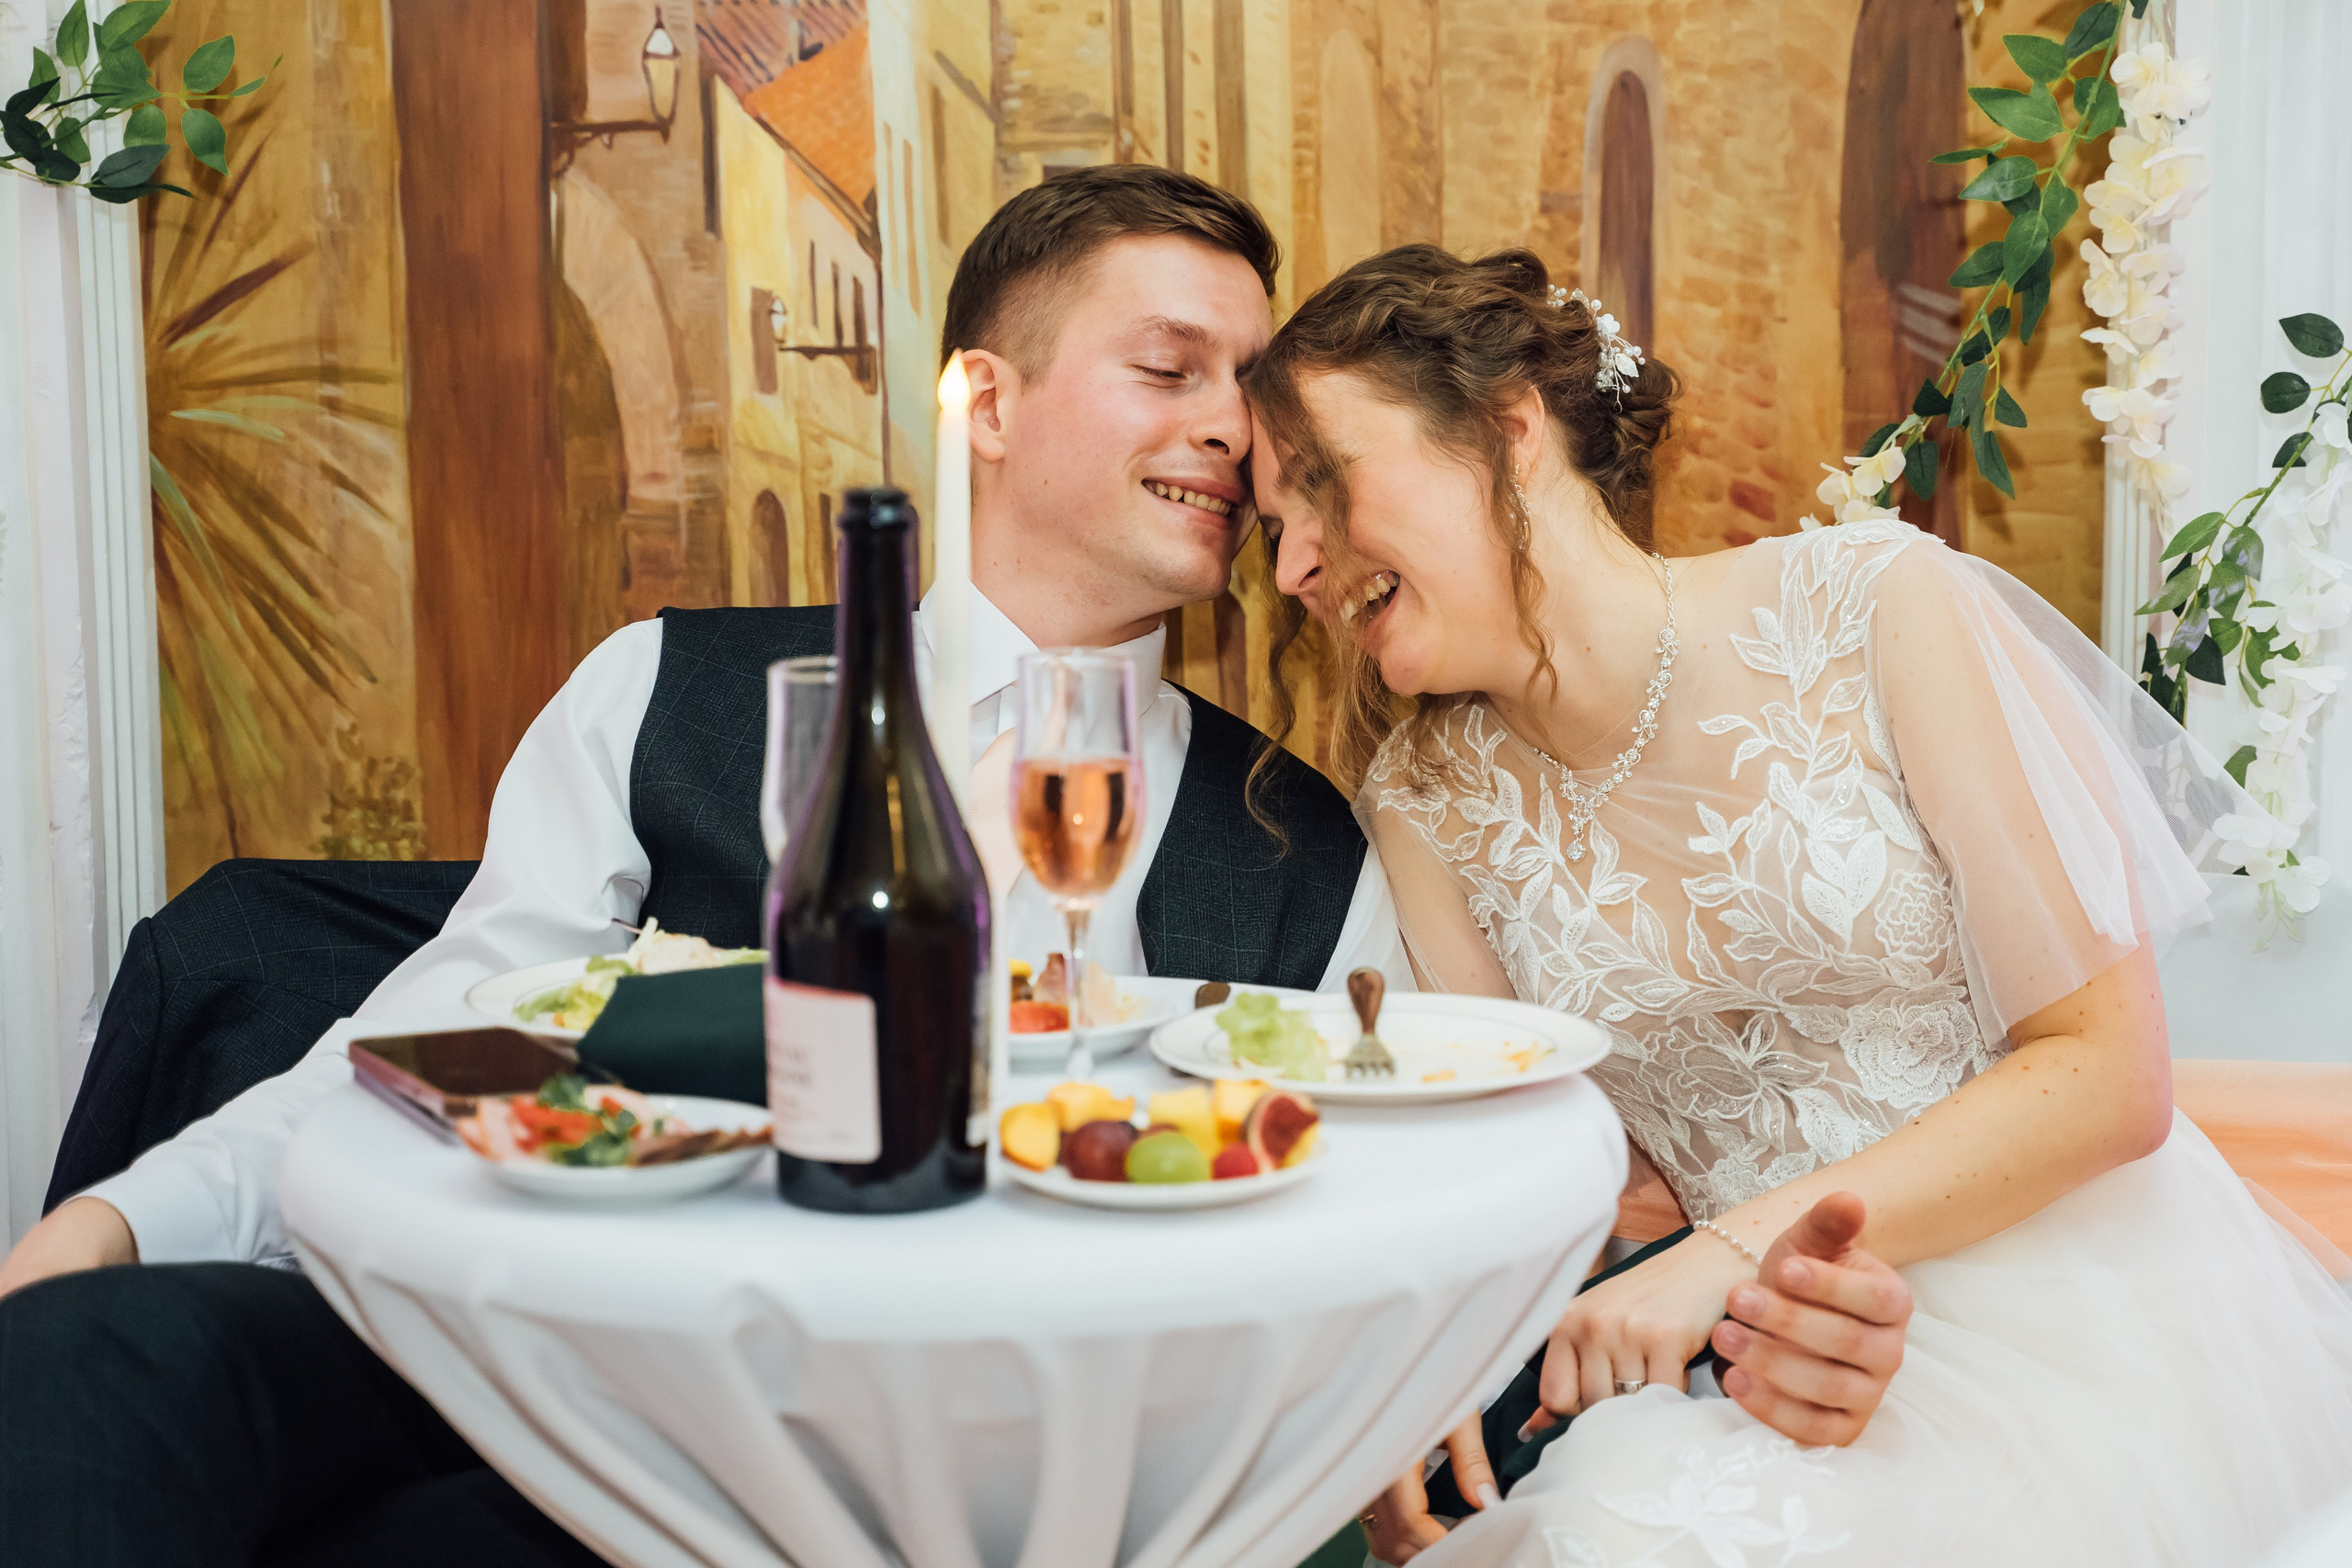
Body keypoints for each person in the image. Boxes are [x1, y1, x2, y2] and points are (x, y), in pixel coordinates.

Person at [0, 165, 1396, 1568]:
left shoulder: (1304, 848)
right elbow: (439, 1040)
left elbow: (1352, 1219)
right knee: (84, 1364)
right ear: (985, 403)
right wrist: (124, 1221)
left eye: (1252, 387)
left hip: (948, 1463)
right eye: (1167, 368)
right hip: (536, 1353)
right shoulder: (666, 688)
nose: (1230, 425)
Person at [1246, 243, 2352, 1565]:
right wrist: (1403, 1386)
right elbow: (1550, 1181)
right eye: (1270, 527)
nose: (1292, 567)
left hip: (2099, 1328)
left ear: (1508, 429)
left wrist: (1731, 1255)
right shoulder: (1424, 803)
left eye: (1319, 485)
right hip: (1786, 1380)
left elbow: (2108, 1075)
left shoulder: (1877, 607)